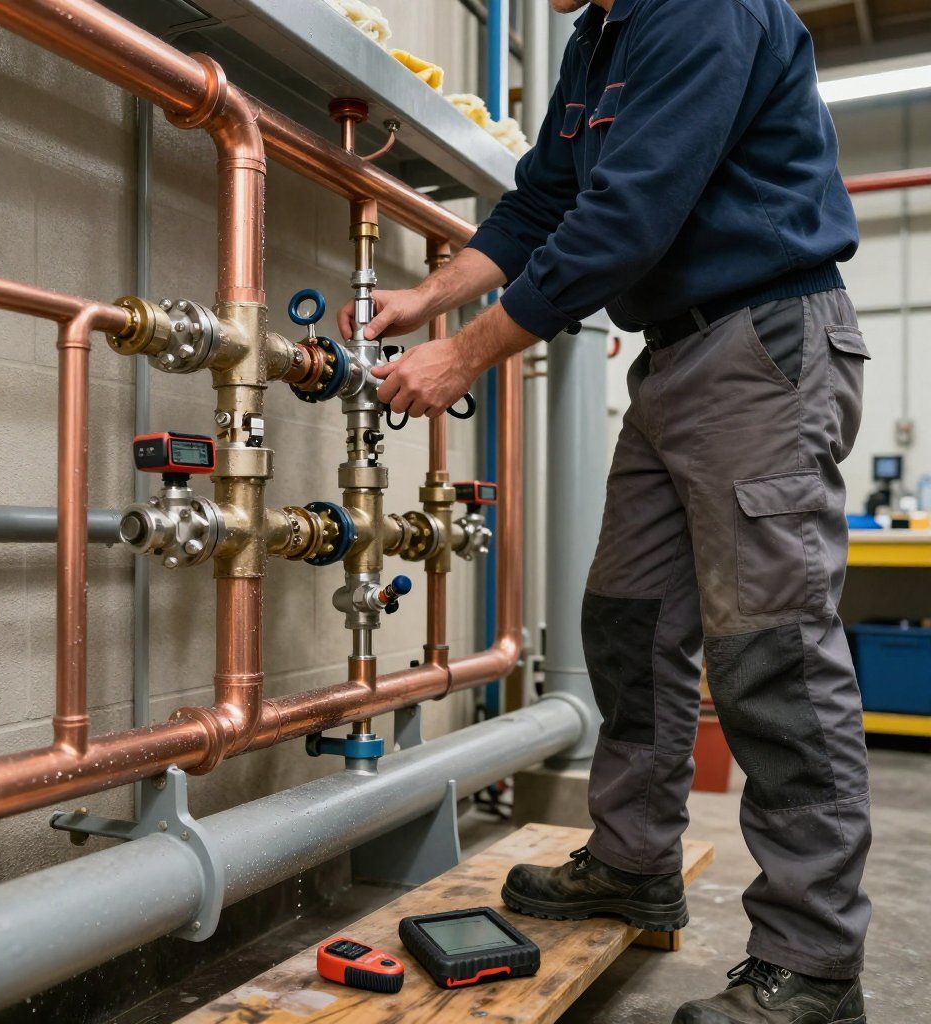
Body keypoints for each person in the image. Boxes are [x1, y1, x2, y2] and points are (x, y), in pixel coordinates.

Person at [339, 0, 872, 1021]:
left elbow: (626, 217)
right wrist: (432, 298)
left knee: (772, 652)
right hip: (677, 356)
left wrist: (462, 356)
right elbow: (541, 201)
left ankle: (813, 964)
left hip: (760, 337)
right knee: (627, 621)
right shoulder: (599, 37)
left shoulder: (701, 11)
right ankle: (632, 859)